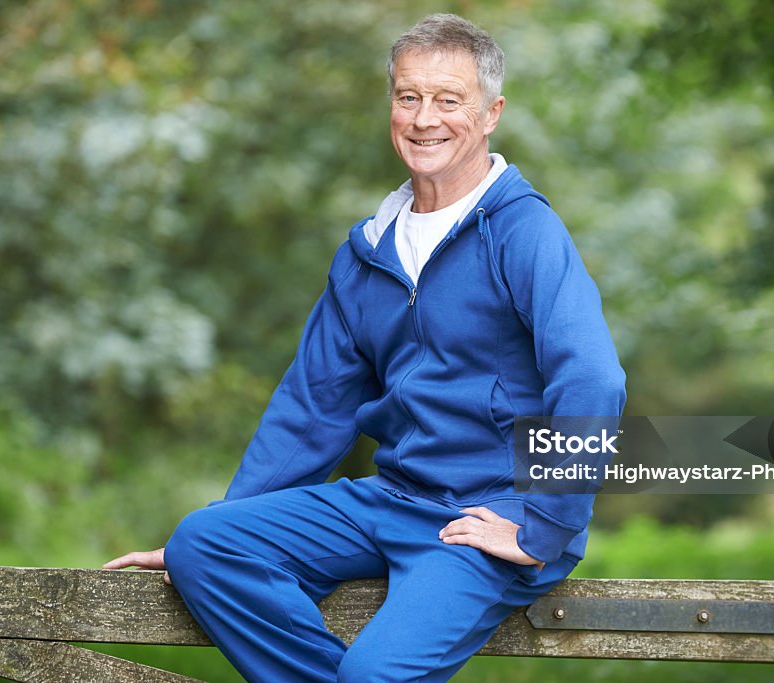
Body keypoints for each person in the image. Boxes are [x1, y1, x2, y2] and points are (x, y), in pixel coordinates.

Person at [105, 13, 626, 682]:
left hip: (487, 515)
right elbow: (311, 406)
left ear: (491, 112)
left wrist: (544, 526)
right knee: (204, 544)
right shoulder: (367, 253)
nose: (423, 117)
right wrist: (235, 523)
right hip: (395, 499)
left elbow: (593, 381)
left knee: (373, 673)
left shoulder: (524, 232)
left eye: (448, 99)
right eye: (408, 96)